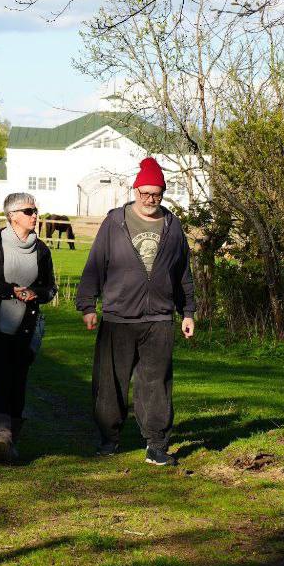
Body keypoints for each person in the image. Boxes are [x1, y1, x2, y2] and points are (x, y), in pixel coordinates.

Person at [75, 156, 196, 466]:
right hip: (118, 316)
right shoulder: (115, 222)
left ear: (163, 193)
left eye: (156, 193)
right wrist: (87, 305)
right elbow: (94, 266)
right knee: (110, 383)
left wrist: (188, 311)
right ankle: (108, 439)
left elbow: (182, 272)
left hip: (159, 318)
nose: (150, 199)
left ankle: (156, 445)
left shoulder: (172, 225)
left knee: (156, 384)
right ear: (135, 190)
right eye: (144, 193)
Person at [0, 191, 56, 463]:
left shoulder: (42, 250)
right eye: (29, 212)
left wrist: (35, 294)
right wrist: (8, 291)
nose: (35, 216)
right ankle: (0, 436)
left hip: (27, 329)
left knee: (19, 383)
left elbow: (51, 289)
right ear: (12, 216)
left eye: (35, 211)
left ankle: (10, 440)